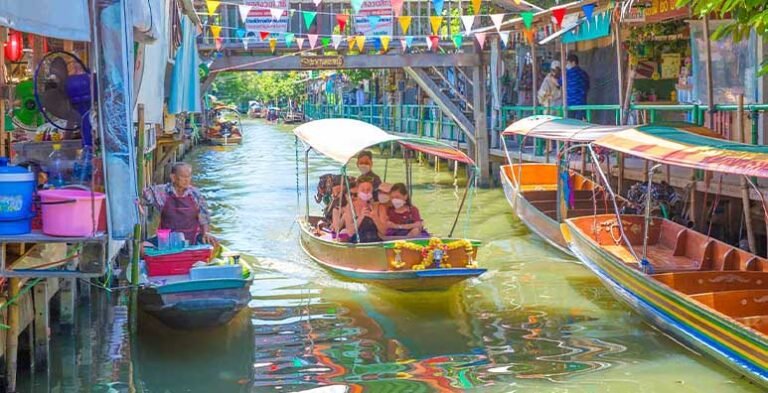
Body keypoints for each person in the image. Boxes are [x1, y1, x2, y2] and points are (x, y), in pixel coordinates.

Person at [142, 162, 214, 245]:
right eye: (183, 177)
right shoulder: (161, 191)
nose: (187, 180)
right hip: (167, 240)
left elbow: (204, 216)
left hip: (191, 239)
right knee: (142, 247)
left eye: (189, 176)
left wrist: (205, 233)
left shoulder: (195, 193)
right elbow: (144, 195)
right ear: (173, 177)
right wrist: (139, 202)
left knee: (213, 244)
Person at [338, 176, 383, 243]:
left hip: (375, 242)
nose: (366, 192)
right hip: (357, 242)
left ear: (372, 190)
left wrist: (375, 218)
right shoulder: (351, 206)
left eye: (368, 189)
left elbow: (384, 231)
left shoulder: (377, 206)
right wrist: (361, 217)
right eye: (363, 190)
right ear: (358, 190)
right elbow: (350, 232)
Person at [558, 54, 590, 120]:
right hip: (581, 103)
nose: (567, 65)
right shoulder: (583, 74)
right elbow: (587, 86)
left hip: (570, 104)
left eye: (568, 63)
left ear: (573, 63)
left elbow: (560, 83)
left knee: (570, 124)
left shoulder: (566, 73)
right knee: (580, 123)